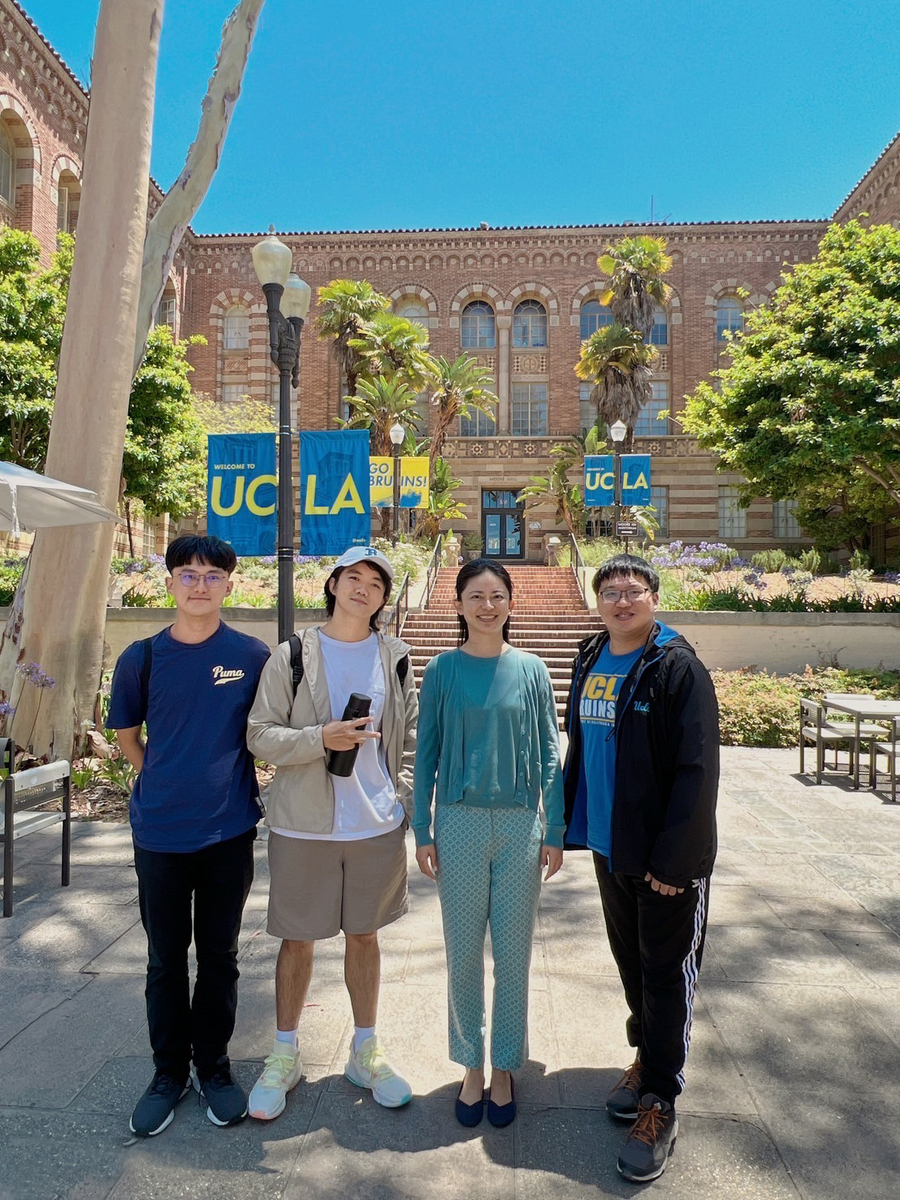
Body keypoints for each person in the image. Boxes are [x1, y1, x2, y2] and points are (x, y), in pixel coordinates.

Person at [245, 546, 418, 1120]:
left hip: (375, 825)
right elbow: (260, 735)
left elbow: (411, 736)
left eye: (375, 582)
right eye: (353, 577)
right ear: (334, 584)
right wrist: (322, 738)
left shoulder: (395, 656)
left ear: (383, 598)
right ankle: (284, 1054)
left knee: (364, 938)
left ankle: (364, 1050)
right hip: (304, 826)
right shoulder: (293, 654)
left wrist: (404, 800)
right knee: (297, 941)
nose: (363, 588)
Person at [107, 535, 270, 1137]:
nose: (199, 584)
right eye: (187, 574)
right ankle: (168, 1074)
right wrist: (164, 777)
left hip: (228, 832)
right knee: (165, 960)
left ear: (230, 583)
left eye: (211, 575)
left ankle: (216, 1070)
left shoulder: (253, 656)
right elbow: (127, 737)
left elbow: (271, 729)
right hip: (159, 835)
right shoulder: (141, 657)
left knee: (221, 957)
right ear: (170, 582)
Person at [563, 553, 719, 1183]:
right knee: (632, 965)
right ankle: (646, 1058)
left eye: (633, 591)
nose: (621, 601)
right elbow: (580, 746)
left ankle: (660, 1099)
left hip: (664, 861)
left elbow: (697, 772)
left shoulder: (677, 668)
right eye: (610, 592)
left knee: (664, 973)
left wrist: (675, 863)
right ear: (598, 602)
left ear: (654, 597)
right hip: (611, 846)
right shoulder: (590, 657)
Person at [413, 559, 564, 1129]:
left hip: (522, 825)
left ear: (510, 604)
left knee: (513, 954)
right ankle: (470, 1065)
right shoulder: (442, 670)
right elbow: (424, 753)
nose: (487, 605)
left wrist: (555, 829)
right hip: (458, 823)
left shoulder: (531, 669)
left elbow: (550, 754)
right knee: (462, 953)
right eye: (475, 596)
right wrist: (421, 830)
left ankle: (504, 1066)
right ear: (457, 605)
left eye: (497, 595)